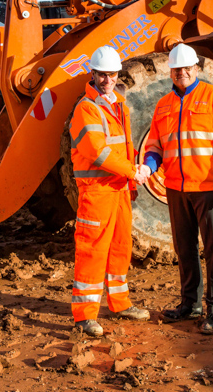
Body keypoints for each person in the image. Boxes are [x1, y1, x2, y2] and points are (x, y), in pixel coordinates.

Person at [137, 43, 213, 335]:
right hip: (176, 188)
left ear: (196, 69)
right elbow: (156, 146)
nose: (181, 73)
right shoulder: (163, 105)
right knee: (185, 249)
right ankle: (190, 304)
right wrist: (148, 165)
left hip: (209, 188)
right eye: (176, 69)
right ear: (170, 71)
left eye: (186, 68)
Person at [68, 46, 150, 337]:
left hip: (118, 190)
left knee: (119, 248)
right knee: (92, 251)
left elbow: (124, 147)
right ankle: (85, 316)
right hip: (97, 191)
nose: (107, 80)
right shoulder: (86, 108)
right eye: (102, 75)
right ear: (93, 74)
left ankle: (120, 303)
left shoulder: (118, 105)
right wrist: (132, 172)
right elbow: (97, 152)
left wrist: (130, 181)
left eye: (112, 74)